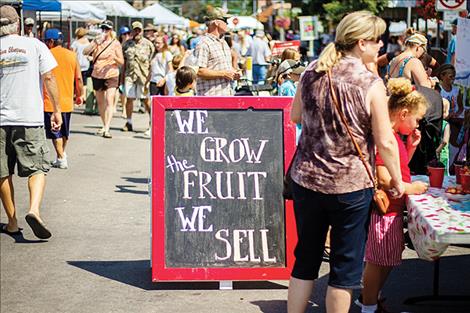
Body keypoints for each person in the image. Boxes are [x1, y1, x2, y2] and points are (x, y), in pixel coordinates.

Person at [287, 11, 404, 313]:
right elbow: (386, 140)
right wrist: (398, 180)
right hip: (349, 186)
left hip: (307, 179)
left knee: (306, 259)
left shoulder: (312, 69)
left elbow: (295, 116)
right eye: (377, 40)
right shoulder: (368, 83)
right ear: (361, 42)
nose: (382, 45)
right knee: (344, 268)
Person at [360, 78, 429, 313]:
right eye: (417, 119)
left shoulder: (394, 136)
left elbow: (396, 171)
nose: (417, 124)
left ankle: (371, 298)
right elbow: (385, 179)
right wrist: (412, 188)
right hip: (385, 209)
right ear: (404, 113)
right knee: (377, 260)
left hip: (392, 208)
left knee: (388, 255)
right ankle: (368, 305)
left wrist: (409, 149)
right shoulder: (386, 137)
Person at [0, 5, 62, 239]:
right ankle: (34, 209)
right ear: (18, 24)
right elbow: (49, 77)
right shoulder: (35, 45)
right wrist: (56, 111)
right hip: (30, 117)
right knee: (37, 167)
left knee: (2, 172)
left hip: (1, 119)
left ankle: (13, 221)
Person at [43, 28, 83, 169]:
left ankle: (61, 157)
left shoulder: (46, 55)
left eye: (46, 41)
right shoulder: (72, 55)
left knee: (55, 132)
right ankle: (62, 155)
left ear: (51, 41)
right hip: (67, 101)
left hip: (50, 102)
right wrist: (80, 95)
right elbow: (78, 78)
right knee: (64, 131)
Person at [84, 20, 123, 138]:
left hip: (111, 74)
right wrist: (95, 42)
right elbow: (84, 52)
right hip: (97, 74)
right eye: (103, 29)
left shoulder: (115, 43)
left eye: (107, 29)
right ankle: (104, 124)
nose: (104, 31)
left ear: (111, 30)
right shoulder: (97, 42)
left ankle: (107, 128)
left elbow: (121, 62)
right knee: (100, 102)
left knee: (109, 99)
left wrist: (114, 57)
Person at [194, 7, 240, 96]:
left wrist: (234, 73)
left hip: (226, 95)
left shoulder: (224, 42)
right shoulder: (204, 43)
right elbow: (199, 71)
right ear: (216, 22)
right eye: (225, 20)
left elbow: (224, 68)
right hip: (211, 98)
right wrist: (223, 74)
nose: (227, 23)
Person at [121, 21, 154, 133]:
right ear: (132, 31)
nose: (137, 32)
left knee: (145, 100)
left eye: (139, 30)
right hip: (130, 75)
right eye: (135, 30)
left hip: (143, 76)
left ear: (142, 31)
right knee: (129, 99)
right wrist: (121, 79)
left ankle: (152, 121)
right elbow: (124, 63)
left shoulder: (149, 45)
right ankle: (129, 122)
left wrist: (150, 78)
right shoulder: (126, 44)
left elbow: (151, 63)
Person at [71, 27, 90, 104]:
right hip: (86, 63)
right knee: (84, 82)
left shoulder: (75, 43)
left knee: (77, 82)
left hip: (78, 64)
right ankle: (83, 96)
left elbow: (72, 53)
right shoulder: (88, 42)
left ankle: (78, 97)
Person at [437, 99, 451, 175]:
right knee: (444, 175)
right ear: (445, 113)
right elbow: (445, 141)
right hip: (443, 155)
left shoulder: (434, 123)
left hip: (434, 153)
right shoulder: (446, 124)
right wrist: (438, 150)